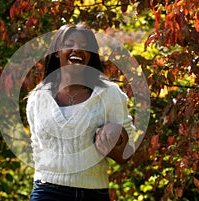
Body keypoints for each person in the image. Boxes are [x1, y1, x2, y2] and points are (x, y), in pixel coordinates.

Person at [26, 23, 136, 201]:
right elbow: (36, 148)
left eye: (85, 46)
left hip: (93, 193)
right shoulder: (38, 98)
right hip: (47, 191)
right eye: (69, 44)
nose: (76, 49)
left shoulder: (109, 93)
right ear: (56, 52)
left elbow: (127, 152)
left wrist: (111, 143)